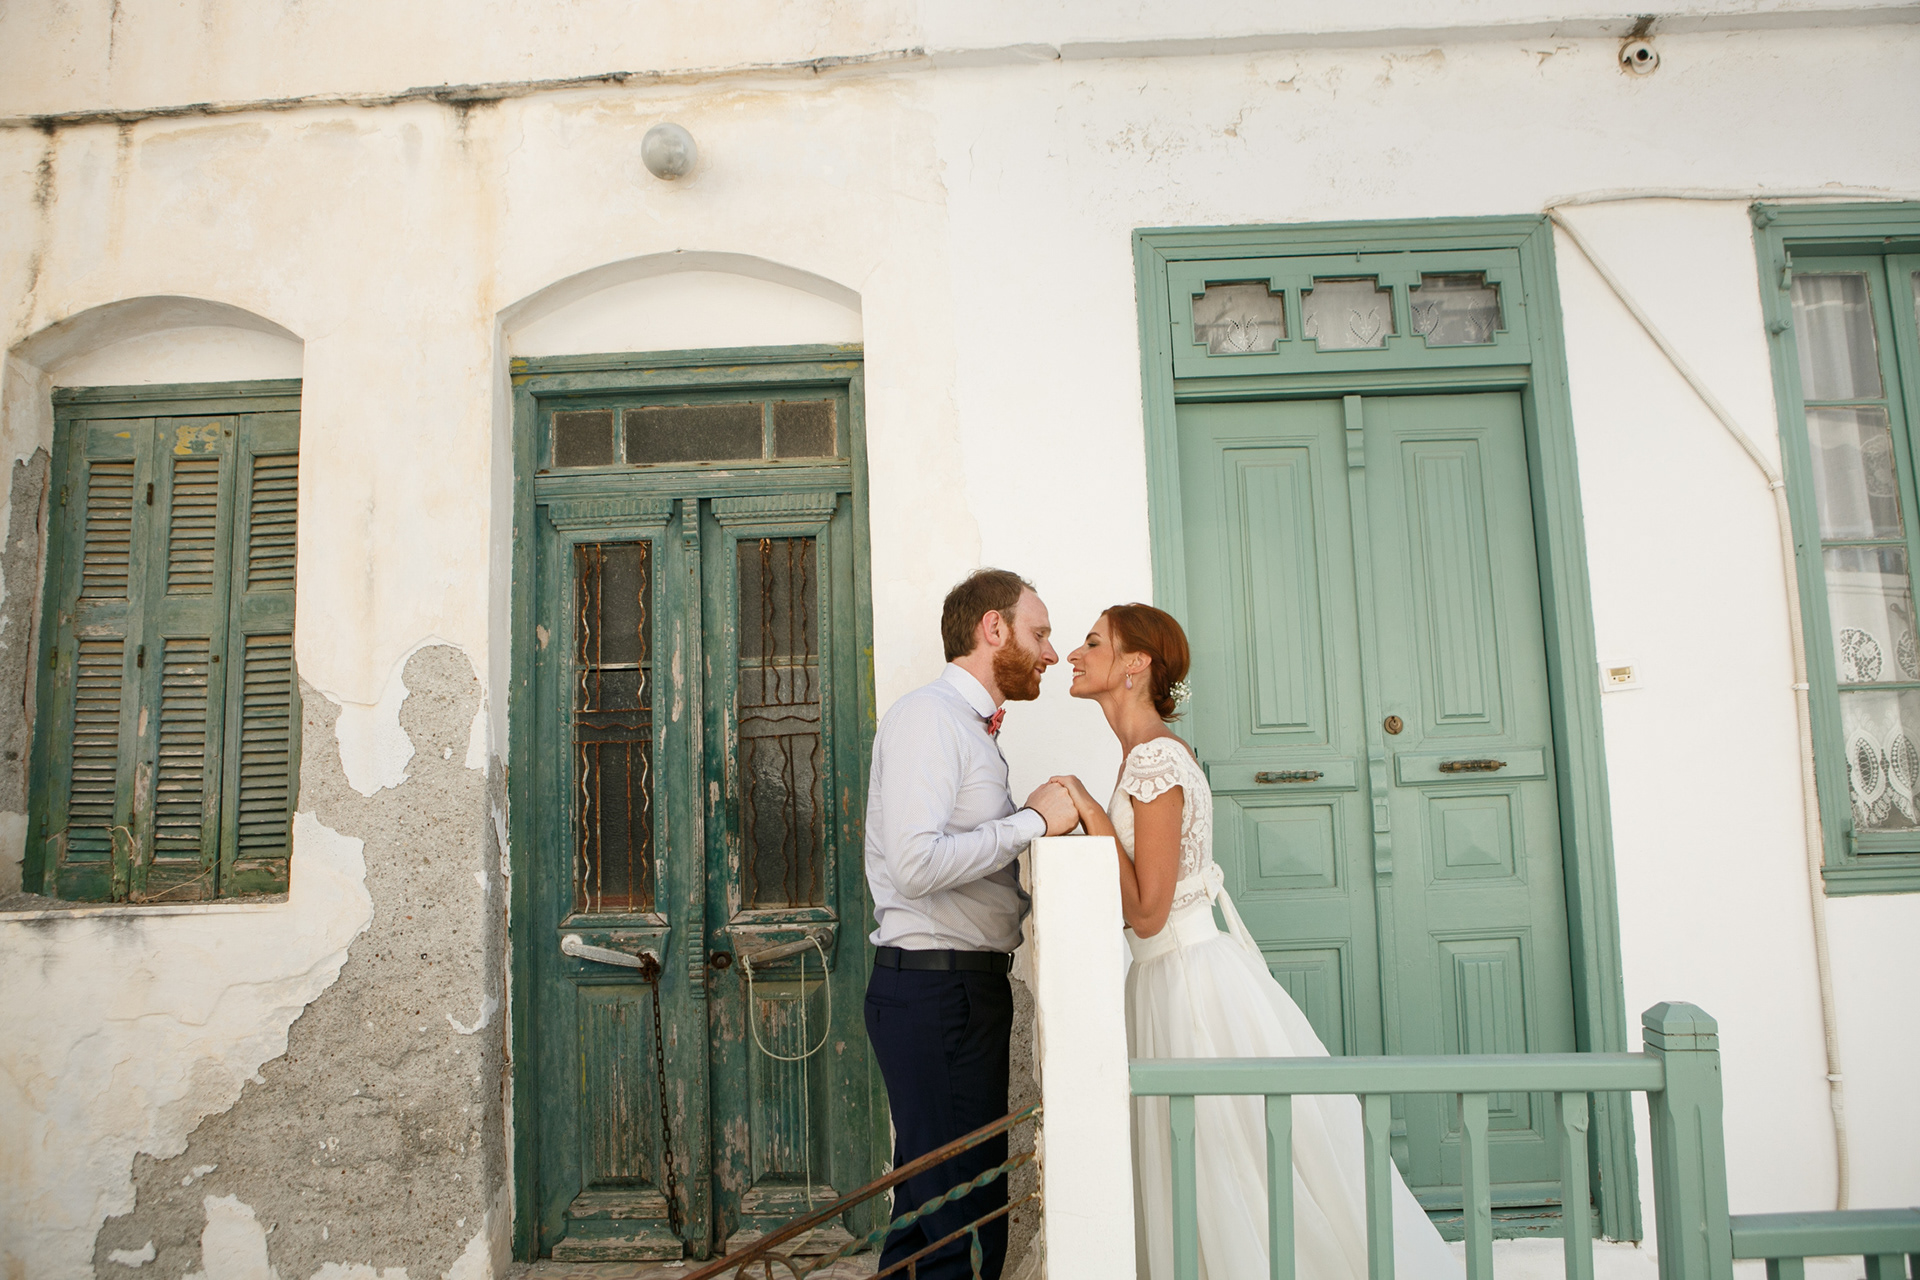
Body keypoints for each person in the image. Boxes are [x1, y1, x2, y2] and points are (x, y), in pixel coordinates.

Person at [1049, 603, 1462, 1280]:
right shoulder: (1143, 755)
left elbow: (1148, 912)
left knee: (1225, 1161)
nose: (1075, 652)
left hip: (1188, 985)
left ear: (1135, 664)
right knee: (1210, 1163)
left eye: (1093, 642)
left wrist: (1092, 815)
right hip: (1164, 978)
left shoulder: (1154, 758)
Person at [863, 568, 1079, 1280]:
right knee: (956, 1225)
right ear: (994, 628)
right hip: (937, 995)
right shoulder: (930, 718)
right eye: (1039, 632)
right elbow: (916, 866)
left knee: (941, 1212)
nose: (1051, 653)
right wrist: (1031, 822)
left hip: (957, 994)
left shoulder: (967, 728)